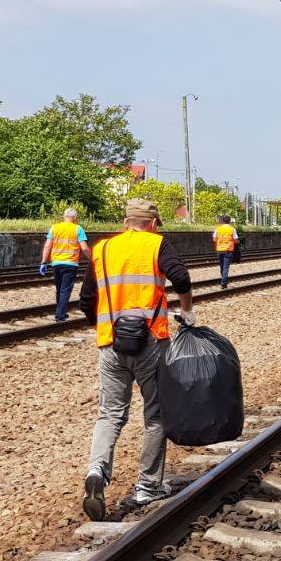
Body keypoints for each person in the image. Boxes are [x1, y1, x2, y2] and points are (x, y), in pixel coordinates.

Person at [77, 198, 195, 520]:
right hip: (151, 343)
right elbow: (181, 278)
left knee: (110, 414)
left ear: (126, 222)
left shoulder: (102, 250)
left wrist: (104, 328)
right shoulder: (157, 244)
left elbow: (86, 298)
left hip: (111, 344)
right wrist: (187, 311)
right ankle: (147, 485)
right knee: (155, 413)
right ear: (154, 224)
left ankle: (97, 471)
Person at [39, 208, 88, 322]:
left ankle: (61, 312)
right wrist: (92, 259)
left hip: (56, 263)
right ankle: (60, 316)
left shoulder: (54, 228)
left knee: (59, 289)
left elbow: (47, 246)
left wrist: (43, 262)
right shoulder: (77, 229)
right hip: (71, 264)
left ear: (64, 216)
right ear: (75, 218)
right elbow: (84, 248)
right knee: (65, 290)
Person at [213, 214, 240, 289]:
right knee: (226, 267)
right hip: (228, 250)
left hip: (219, 249)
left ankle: (223, 280)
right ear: (229, 221)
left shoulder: (218, 229)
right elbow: (236, 240)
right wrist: (237, 242)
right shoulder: (232, 229)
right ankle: (224, 282)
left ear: (223, 221)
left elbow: (214, 239)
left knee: (222, 266)